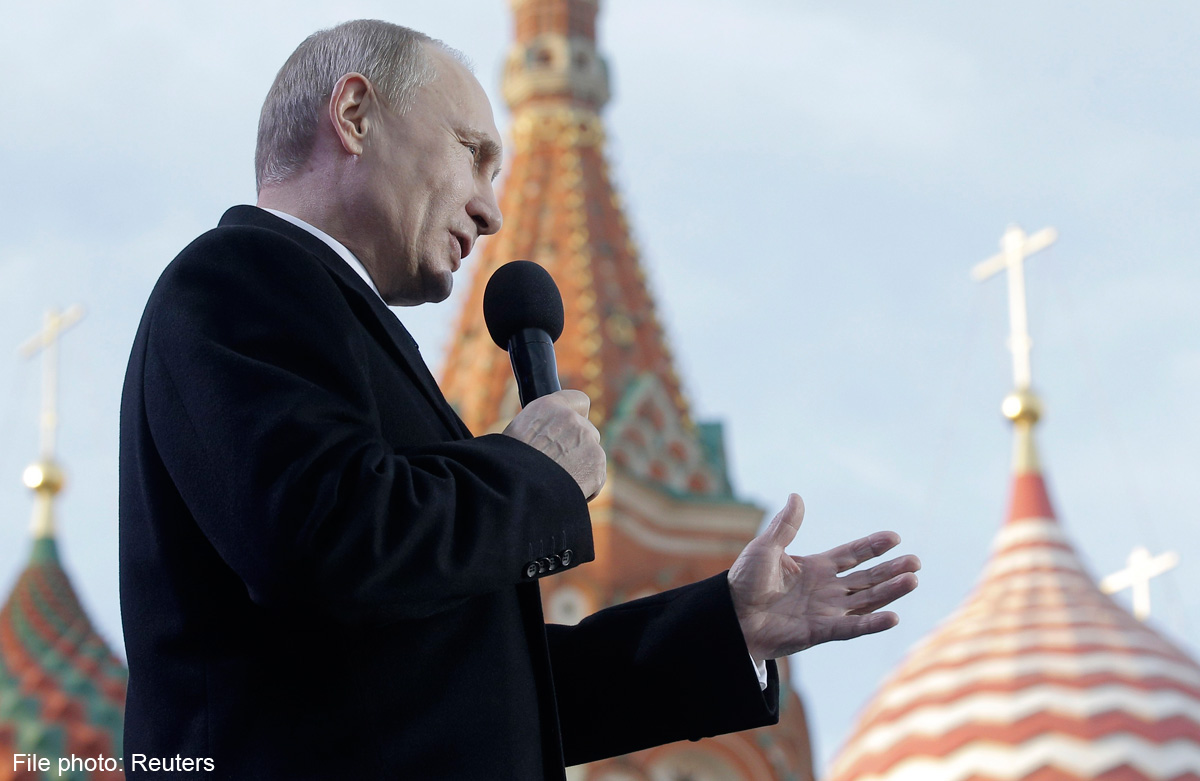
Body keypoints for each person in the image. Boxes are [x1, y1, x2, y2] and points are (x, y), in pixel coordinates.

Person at [119, 20, 920, 780]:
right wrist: (532, 471)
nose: (491, 210)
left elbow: (488, 694)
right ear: (356, 115)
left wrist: (728, 628)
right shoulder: (244, 276)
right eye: (472, 154)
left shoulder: (346, 335)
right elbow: (323, 536)